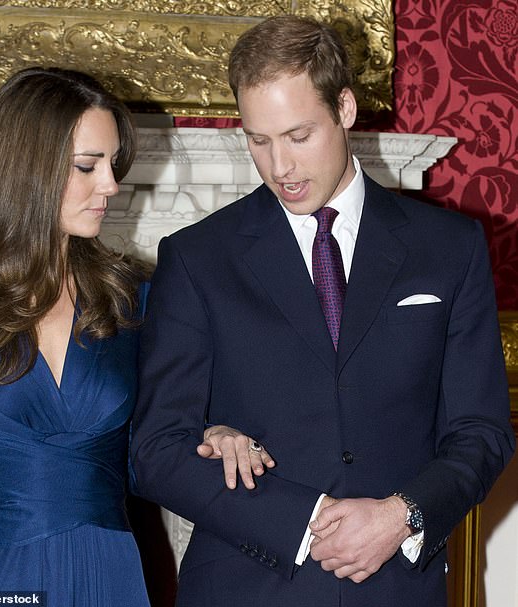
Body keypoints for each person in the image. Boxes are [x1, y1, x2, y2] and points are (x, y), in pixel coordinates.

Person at [130, 15, 515, 607]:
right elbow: (156, 449)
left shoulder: (449, 248)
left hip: (396, 589)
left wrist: (401, 516)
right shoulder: (196, 257)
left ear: (346, 108)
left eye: (299, 135)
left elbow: (481, 432)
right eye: (259, 140)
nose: (280, 166)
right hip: (243, 587)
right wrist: (301, 520)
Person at [0, 66, 264, 603]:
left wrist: (213, 431)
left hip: (114, 576)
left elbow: (150, 453)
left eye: (113, 164)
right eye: (88, 166)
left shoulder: (133, 300)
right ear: (26, 169)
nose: (111, 185)